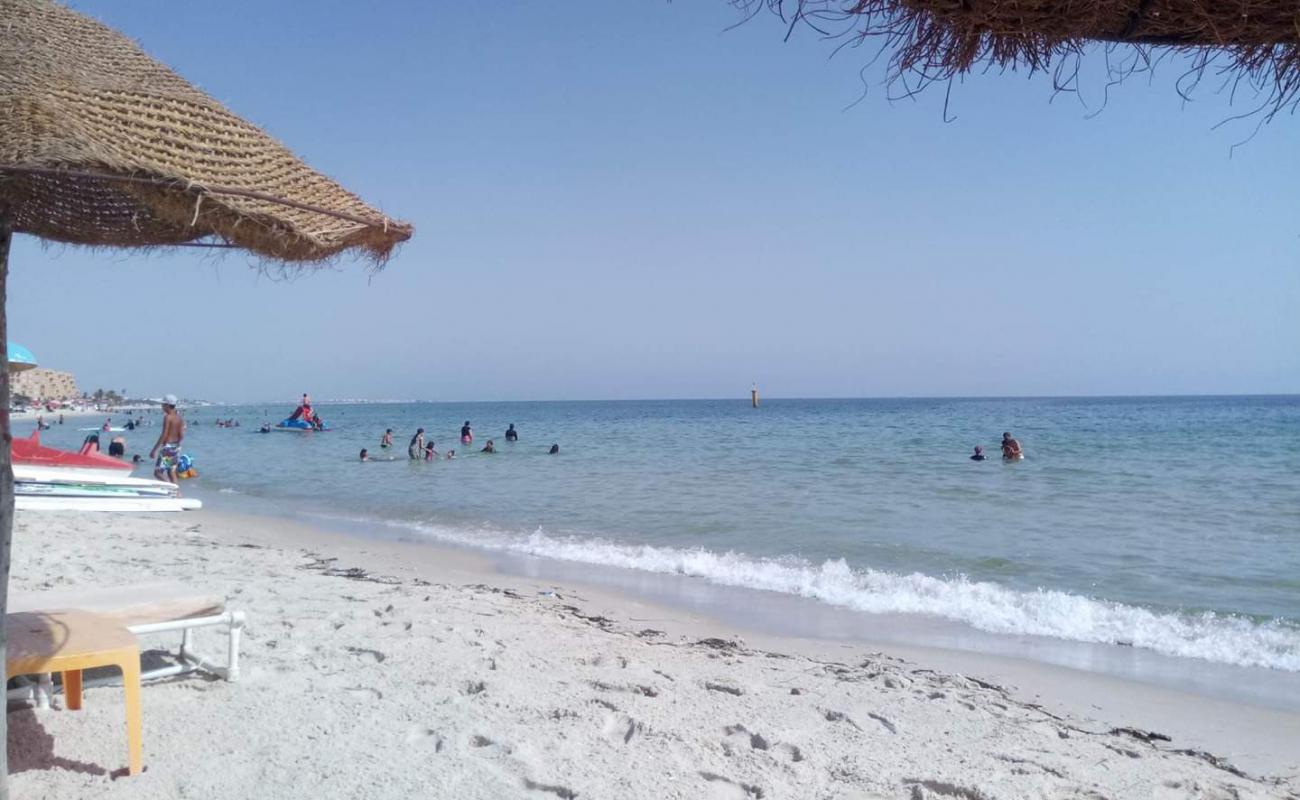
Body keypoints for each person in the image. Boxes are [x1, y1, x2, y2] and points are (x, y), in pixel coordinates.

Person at [150, 395, 186, 484]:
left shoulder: (168, 417)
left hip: (167, 447)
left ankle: (171, 487)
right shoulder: (179, 418)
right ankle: (177, 493)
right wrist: (177, 445)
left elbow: (164, 434)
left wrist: (154, 450)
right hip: (176, 447)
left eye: (163, 405)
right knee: (171, 471)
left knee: (158, 473)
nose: (162, 407)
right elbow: (181, 435)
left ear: (167, 405)